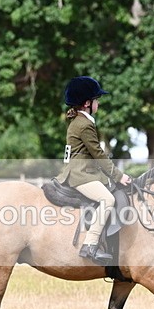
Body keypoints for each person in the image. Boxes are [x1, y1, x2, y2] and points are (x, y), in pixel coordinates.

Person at [57, 76, 132, 265]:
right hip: (80, 174)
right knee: (108, 199)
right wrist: (118, 175)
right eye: (96, 100)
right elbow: (98, 154)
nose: (98, 103)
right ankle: (90, 244)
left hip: (82, 170)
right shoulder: (84, 125)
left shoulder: (80, 121)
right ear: (87, 103)